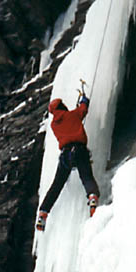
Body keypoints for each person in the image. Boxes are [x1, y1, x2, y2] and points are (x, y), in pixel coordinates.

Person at [36, 94, 100, 231]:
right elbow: (83, 109)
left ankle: (43, 213)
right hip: (80, 150)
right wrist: (83, 100)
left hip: (65, 156)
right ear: (62, 106)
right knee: (87, 177)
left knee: (57, 185)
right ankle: (92, 197)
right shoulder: (73, 115)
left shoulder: (53, 125)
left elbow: (68, 122)